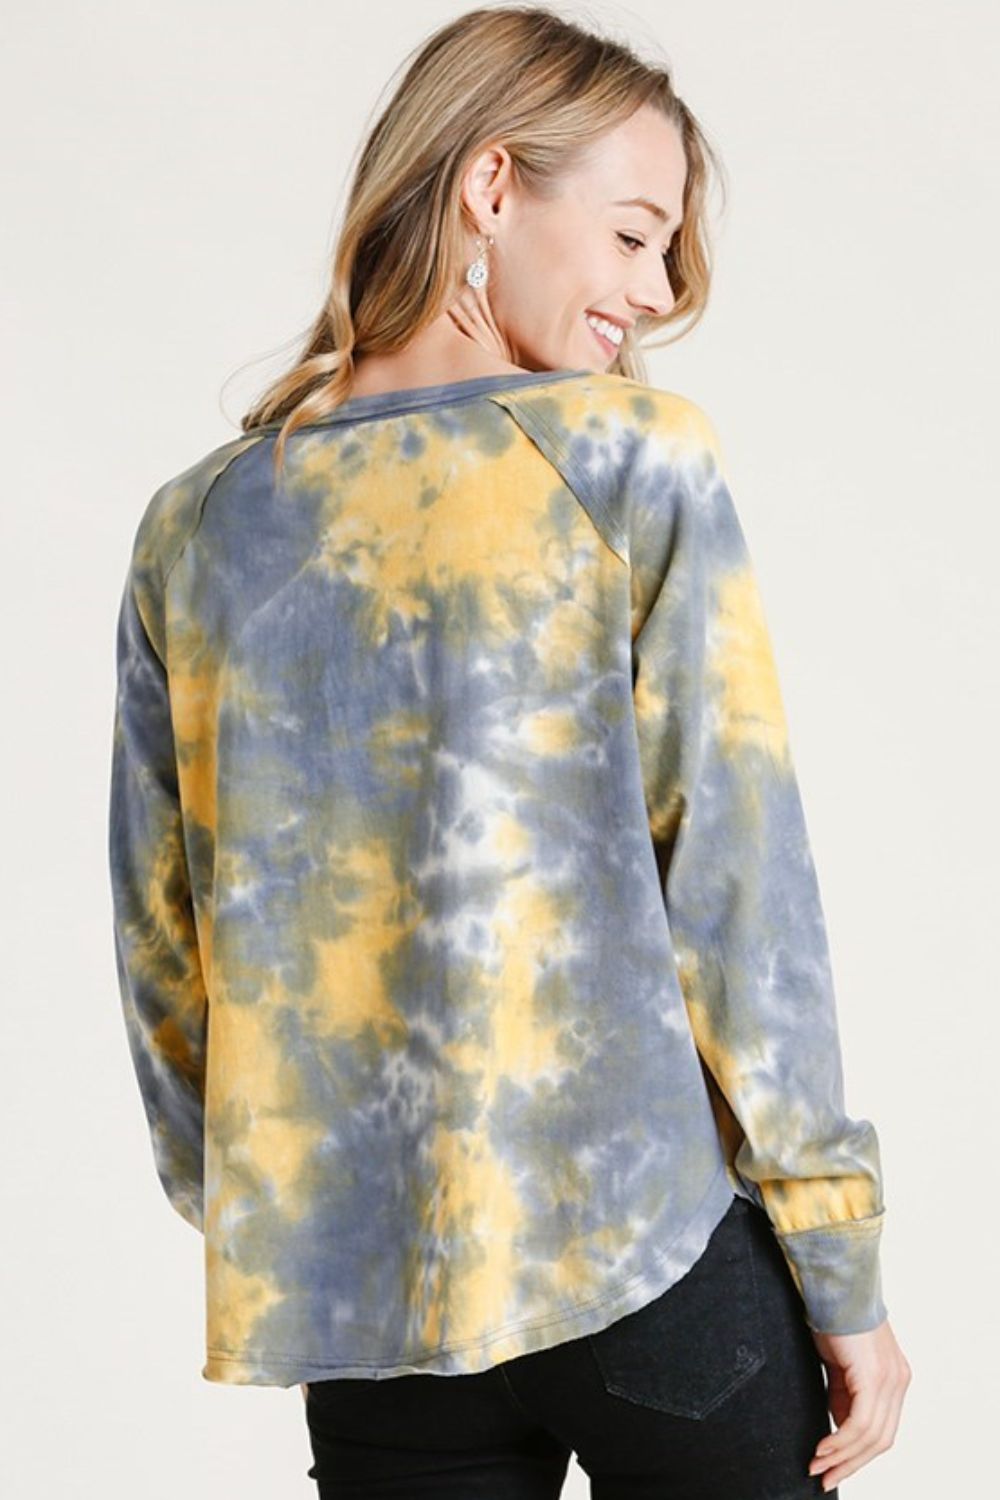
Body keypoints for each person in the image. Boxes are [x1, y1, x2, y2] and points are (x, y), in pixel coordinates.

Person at [107, 6, 911, 1496]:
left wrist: (289, 1218)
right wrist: (838, 1256)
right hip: (641, 1263)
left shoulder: (198, 525)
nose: (656, 289)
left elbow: (167, 949)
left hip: (368, 1305)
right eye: (633, 234)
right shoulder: (629, 454)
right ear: (490, 185)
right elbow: (743, 896)